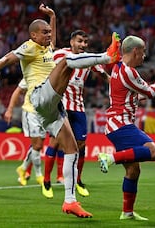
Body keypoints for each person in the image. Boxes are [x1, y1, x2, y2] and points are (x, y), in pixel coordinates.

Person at [0, 3, 121, 218]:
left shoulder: (46, 48)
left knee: (72, 149)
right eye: (44, 32)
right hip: (38, 96)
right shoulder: (29, 46)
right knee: (65, 63)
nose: (49, 35)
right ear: (34, 35)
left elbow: (52, 37)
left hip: (53, 106)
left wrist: (52, 16)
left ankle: (70, 201)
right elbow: (6, 59)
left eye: (49, 32)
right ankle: (107, 56)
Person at [97, 35, 155, 221]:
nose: (144, 55)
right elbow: (148, 92)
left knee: (133, 170)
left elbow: (135, 95)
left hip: (116, 124)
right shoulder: (129, 72)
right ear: (135, 51)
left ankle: (127, 213)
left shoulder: (119, 68)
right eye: (143, 52)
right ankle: (109, 158)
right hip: (121, 124)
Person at [41, 29, 110, 199]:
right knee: (56, 142)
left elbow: (105, 75)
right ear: (72, 42)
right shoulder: (59, 55)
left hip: (78, 107)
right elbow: (43, 65)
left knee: (81, 145)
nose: (83, 45)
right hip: (60, 105)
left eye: (85, 42)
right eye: (80, 41)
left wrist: (120, 85)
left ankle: (78, 180)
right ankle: (46, 181)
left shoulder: (88, 59)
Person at [3, 78, 47, 185]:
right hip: (30, 112)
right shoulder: (30, 74)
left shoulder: (50, 73)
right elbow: (17, 91)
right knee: (36, 145)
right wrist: (10, 109)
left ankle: (22, 168)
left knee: (39, 145)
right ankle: (38, 175)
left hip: (44, 114)